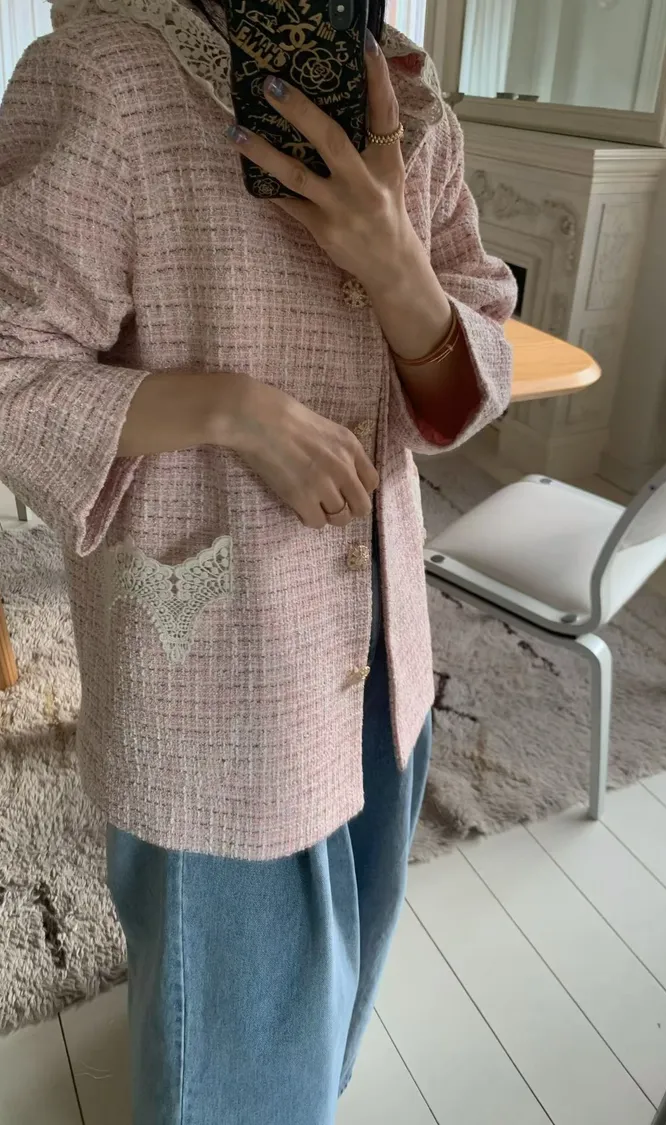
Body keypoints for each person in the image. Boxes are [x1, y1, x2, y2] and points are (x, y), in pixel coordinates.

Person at [0, 0, 516, 1120]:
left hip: (382, 650)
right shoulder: (107, 77)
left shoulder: (407, 90)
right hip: (216, 675)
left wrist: (399, 271)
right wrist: (233, 410)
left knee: (331, 1006)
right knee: (232, 1075)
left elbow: (474, 376)